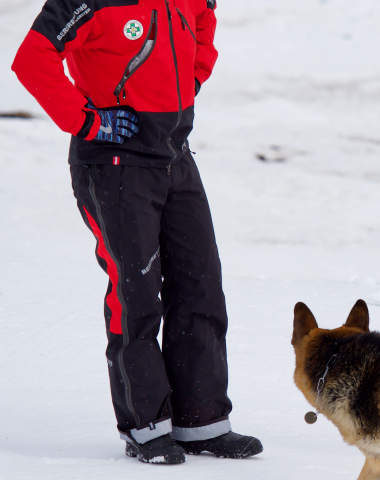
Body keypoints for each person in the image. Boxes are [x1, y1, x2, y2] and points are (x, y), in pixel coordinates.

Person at [12, 0, 262, 464]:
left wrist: (190, 79)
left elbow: (203, 18)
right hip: (114, 164)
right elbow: (32, 57)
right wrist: (87, 120)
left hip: (174, 155)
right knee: (137, 295)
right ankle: (146, 427)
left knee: (200, 285)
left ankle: (201, 422)